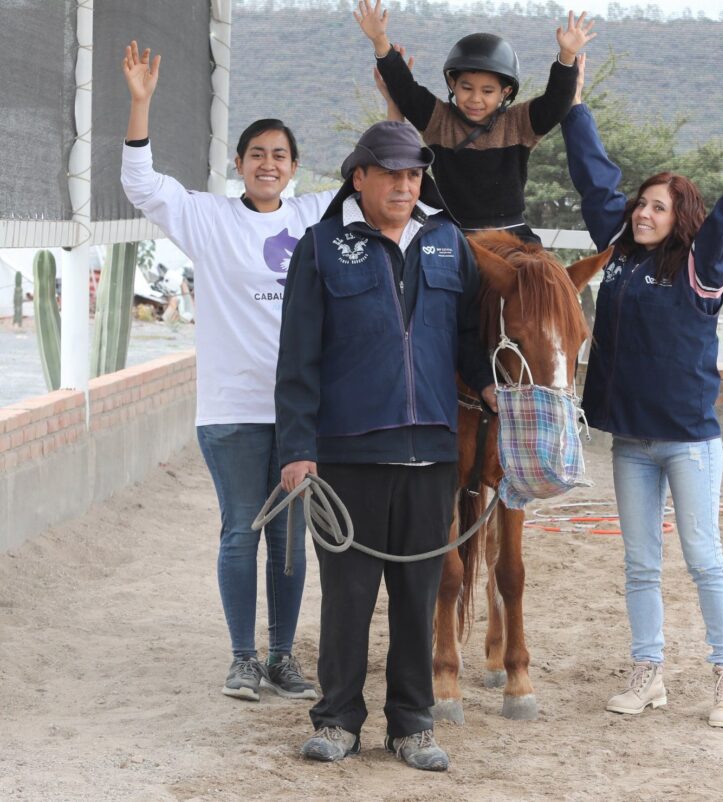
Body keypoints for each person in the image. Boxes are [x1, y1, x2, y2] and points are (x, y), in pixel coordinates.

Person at [561, 56, 723, 727]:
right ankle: (647, 672)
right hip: (630, 442)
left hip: (688, 443)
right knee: (640, 564)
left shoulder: (700, 263)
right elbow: (595, 180)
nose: (643, 212)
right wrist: (574, 105)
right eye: (640, 203)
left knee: (704, 558)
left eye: (658, 206)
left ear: (679, 217)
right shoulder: (619, 252)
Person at [275, 121, 496, 771]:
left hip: (432, 453)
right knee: (348, 594)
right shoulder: (321, 247)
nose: (405, 185)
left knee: (419, 594)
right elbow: (297, 358)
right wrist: (296, 448)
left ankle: (412, 724)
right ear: (360, 177)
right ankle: (337, 719)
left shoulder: (448, 243)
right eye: (392, 173)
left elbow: (467, 340)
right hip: (348, 454)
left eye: (414, 174)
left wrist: (490, 389)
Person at [120, 41, 334, 702]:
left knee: (290, 538)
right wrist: (140, 102)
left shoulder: (313, 216)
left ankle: (282, 658)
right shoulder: (209, 218)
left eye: (280, 155)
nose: (268, 164)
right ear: (238, 164)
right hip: (232, 409)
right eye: (257, 154)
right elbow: (141, 185)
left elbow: (381, 179)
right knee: (242, 529)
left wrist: (392, 94)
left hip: (298, 415)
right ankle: (243, 659)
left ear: (294, 167)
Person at [354, 0, 595, 241]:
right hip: (453, 235)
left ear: (505, 93)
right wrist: (380, 41)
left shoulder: (518, 123)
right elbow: (405, 90)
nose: (475, 99)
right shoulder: (439, 121)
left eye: (487, 91)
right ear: (452, 84)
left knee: (540, 266)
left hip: (511, 235)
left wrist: (567, 56)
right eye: (467, 88)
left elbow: (556, 102)